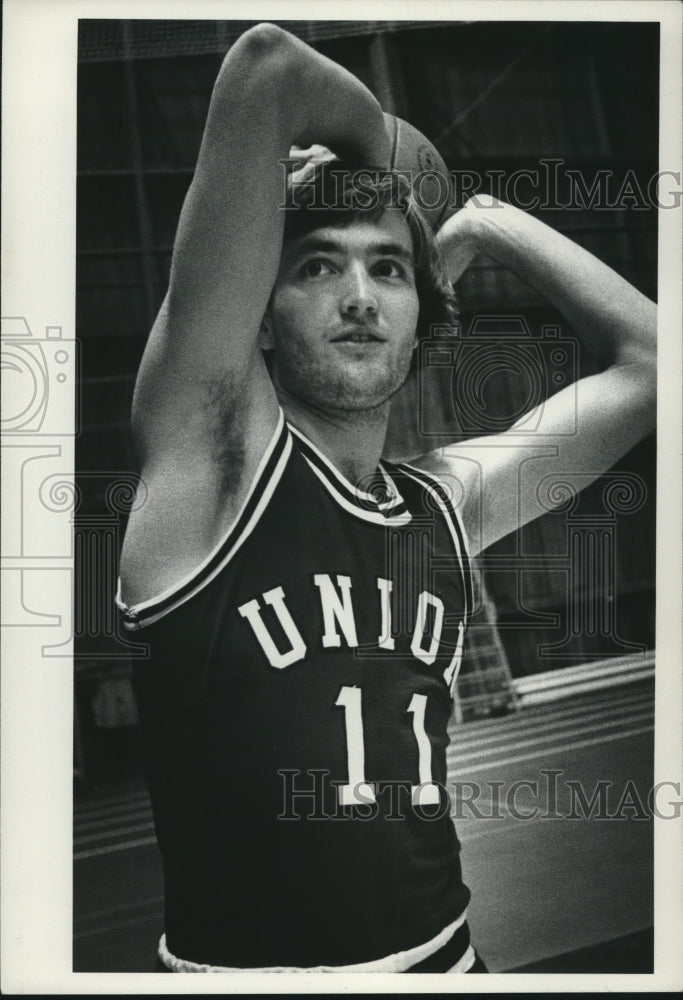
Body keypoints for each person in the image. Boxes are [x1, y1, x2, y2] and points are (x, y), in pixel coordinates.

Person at [116, 23, 657, 974]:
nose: (360, 296)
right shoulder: (212, 472)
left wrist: (482, 220)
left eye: (388, 269)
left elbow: (654, 366)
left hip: (451, 962)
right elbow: (267, 66)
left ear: (423, 313)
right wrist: (384, 165)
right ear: (259, 322)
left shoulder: (441, 508)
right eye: (317, 266)